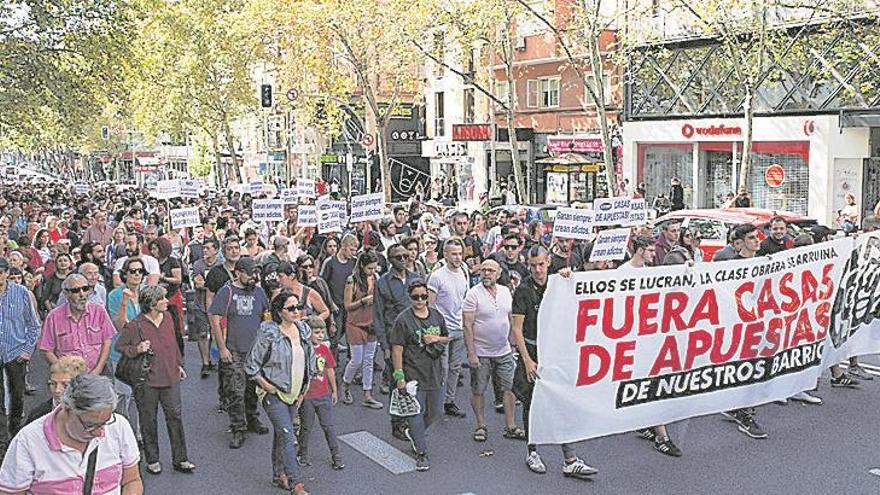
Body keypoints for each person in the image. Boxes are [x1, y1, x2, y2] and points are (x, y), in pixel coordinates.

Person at [512, 246, 598, 478]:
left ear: (549, 261)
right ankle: (532, 451)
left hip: (556, 351)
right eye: (533, 266)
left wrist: (570, 280)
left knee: (561, 401)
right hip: (533, 349)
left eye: (541, 264)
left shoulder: (557, 282)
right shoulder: (523, 291)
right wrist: (527, 360)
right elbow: (516, 329)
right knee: (531, 403)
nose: (537, 270)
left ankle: (569, 458)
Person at [0, 374, 143, 494]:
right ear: (67, 409)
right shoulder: (28, 442)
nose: (100, 432)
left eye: (105, 422)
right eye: (90, 425)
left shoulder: (119, 426)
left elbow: (131, 480)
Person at [115, 285, 195, 475]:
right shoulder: (136, 325)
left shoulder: (168, 317)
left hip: (171, 377)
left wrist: (179, 364)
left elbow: (175, 343)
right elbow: (120, 346)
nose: (167, 301)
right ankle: (152, 459)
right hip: (147, 381)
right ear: (152, 303)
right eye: (163, 299)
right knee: (148, 420)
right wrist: (137, 349)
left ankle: (181, 458)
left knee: (175, 418)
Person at [244, 290, 316, 495]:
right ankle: (296, 484)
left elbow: (309, 358)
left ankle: (278, 474)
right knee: (288, 436)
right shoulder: (269, 332)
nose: (296, 311)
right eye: (291, 308)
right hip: (274, 394)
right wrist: (266, 386)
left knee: (281, 434)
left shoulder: (303, 329)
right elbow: (251, 365)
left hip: (295, 393)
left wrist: (305, 386)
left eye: (298, 307)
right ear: (279, 311)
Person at [209, 256, 271, 449]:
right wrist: (222, 348)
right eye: (250, 273)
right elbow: (215, 321)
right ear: (239, 273)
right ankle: (238, 427)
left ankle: (252, 418)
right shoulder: (226, 292)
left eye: (256, 273)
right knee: (236, 391)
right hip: (234, 350)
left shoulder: (260, 292)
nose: (254, 276)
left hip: (255, 351)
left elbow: (266, 319)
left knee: (253, 389)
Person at [462, 260, 525, 443]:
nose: (486, 274)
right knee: (479, 390)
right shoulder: (473, 294)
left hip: (504, 350)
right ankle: (481, 426)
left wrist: (513, 345)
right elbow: (467, 325)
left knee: (510, 388)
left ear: (498, 274)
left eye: (491, 271)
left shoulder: (505, 292)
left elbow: (511, 319)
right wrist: (472, 353)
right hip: (481, 352)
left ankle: (511, 426)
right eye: (483, 270)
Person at [389, 279, 449, 471]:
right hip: (413, 373)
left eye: (424, 296)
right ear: (410, 297)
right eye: (416, 297)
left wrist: (436, 338)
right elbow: (397, 350)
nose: (421, 300)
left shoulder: (437, 316)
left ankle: (415, 434)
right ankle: (421, 453)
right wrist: (399, 377)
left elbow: (447, 337)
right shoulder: (403, 320)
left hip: (434, 372)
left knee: (435, 412)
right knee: (416, 413)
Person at [717, 224, 768, 439]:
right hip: (740, 326)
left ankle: (737, 405)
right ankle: (744, 414)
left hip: (759, 324)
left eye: (757, 237)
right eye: (751, 238)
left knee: (756, 367)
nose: (756, 241)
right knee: (746, 368)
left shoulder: (765, 262)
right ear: (740, 243)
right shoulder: (732, 266)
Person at [374, 244, 422, 438]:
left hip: (416, 338)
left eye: (405, 255)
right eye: (398, 257)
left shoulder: (415, 278)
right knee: (398, 381)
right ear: (390, 260)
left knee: (416, 379)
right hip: (394, 339)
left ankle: (414, 418)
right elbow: (377, 314)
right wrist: (384, 345)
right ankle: (398, 423)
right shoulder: (383, 283)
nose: (403, 259)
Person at [0, 256, 42, 446]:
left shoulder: (21, 293)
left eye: (1, 272)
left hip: (15, 353)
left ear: (7, 273)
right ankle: (2, 443)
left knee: (17, 395)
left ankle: (15, 434)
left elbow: (34, 326)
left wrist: (27, 350)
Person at [38, 273, 116, 376]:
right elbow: (46, 349)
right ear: (66, 293)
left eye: (85, 288)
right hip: (67, 377)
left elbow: (107, 341)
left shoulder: (99, 311)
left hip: (98, 373)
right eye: (76, 290)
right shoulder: (54, 317)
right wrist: (65, 372)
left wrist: (98, 369)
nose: (82, 294)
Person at [427, 237, 470, 419]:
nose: (458, 258)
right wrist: (436, 328)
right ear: (445, 255)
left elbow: (465, 298)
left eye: (460, 254)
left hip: (459, 327)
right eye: (454, 254)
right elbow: (430, 304)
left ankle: (449, 401)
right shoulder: (437, 277)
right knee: (442, 368)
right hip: (444, 329)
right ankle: (435, 401)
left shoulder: (464, 271)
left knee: (455, 367)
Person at [296, 317, 344, 471]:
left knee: (329, 427)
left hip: (323, 394)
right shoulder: (303, 349)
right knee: (306, 428)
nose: (320, 335)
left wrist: (335, 390)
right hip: (308, 397)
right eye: (317, 332)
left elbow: (330, 369)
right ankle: (302, 454)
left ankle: (336, 456)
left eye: (322, 332)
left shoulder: (324, 349)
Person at [340, 249, 383, 409]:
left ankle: (367, 393)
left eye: (375, 268)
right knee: (356, 359)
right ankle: (345, 384)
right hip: (355, 323)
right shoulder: (352, 281)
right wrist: (363, 301)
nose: (372, 271)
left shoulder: (375, 278)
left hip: (371, 323)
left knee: (369, 360)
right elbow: (347, 306)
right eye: (370, 268)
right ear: (362, 266)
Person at [25, 356, 88, 425]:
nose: (57, 390)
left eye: (65, 385)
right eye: (53, 383)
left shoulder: (93, 415)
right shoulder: (37, 416)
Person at [192, 238, 221, 378]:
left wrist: (207, 284)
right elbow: (198, 284)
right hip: (201, 305)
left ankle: (215, 360)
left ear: (216, 250)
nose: (205, 250)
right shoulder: (198, 265)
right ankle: (205, 362)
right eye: (203, 248)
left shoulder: (221, 265)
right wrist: (213, 285)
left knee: (216, 334)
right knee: (203, 334)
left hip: (218, 306)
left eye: (208, 248)